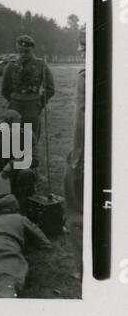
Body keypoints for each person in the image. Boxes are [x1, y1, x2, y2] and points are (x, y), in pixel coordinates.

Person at [1, 35, 55, 140]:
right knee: (13, 137)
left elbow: (50, 88)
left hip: (33, 106)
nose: (23, 54)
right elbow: (5, 89)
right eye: (21, 51)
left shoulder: (41, 65)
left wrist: (40, 103)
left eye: (26, 51)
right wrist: (12, 99)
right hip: (15, 106)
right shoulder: (11, 66)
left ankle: (31, 156)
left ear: (32, 50)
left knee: (32, 138)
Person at [64, 29, 86, 279]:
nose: (80, 51)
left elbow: (82, 121)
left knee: (77, 209)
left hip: (87, 154)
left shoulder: (86, 77)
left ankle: (84, 267)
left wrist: (77, 159)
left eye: (84, 45)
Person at [0, 109, 38, 211]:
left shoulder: (28, 135)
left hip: (20, 172)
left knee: (27, 173)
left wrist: (12, 164)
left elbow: (34, 160)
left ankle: (23, 208)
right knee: (0, 204)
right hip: (4, 173)